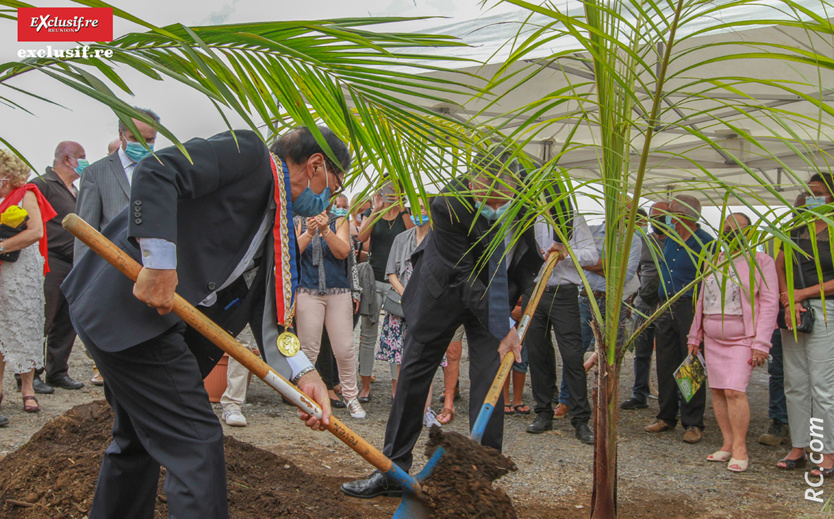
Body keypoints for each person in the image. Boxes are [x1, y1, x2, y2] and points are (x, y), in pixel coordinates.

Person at [62, 127, 339, 518]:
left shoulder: (278, 227)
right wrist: (159, 263)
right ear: (315, 166)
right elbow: (157, 171)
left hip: (157, 328)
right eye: (333, 183)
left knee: (137, 442)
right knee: (196, 442)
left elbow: (277, 317)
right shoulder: (247, 155)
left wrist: (303, 372)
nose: (325, 199)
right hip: (128, 313)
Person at [341, 147, 543, 499]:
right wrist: (504, 326)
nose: (495, 210)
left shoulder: (528, 197)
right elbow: (463, 275)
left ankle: (481, 477)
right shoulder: (447, 204)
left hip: (496, 292)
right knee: (414, 374)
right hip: (443, 292)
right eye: (487, 201)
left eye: (502, 202)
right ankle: (393, 469)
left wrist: (527, 293)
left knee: (490, 378)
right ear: (472, 183)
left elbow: (529, 249)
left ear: (517, 186)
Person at [687, 213, 779, 472]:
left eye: (737, 228)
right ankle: (727, 444)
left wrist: (762, 343)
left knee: (734, 391)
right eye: (726, 228)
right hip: (713, 337)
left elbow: (770, 302)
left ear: (750, 232)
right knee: (717, 390)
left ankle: (740, 447)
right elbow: (702, 298)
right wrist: (695, 336)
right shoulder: (714, 260)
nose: (731, 232)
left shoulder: (762, 261)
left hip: (743, 338)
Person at [776, 173, 834, 476]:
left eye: (818, 194)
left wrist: (804, 294)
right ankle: (799, 446)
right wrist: (790, 299)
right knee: (795, 383)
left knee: (822, 385)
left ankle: (826, 452)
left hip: (826, 310)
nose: (811, 199)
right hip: (794, 310)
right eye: (808, 193)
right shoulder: (797, 227)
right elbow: (780, 263)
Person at [523, 211, 598, 443]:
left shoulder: (573, 218)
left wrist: (566, 254)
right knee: (537, 353)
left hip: (564, 293)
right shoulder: (527, 218)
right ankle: (543, 412)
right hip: (533, 291)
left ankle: (580, 419)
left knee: (572, 355)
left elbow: (592, 256)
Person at [645, 195, 714, 444]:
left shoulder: (706, 243)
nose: (667, 217)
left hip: (690, 309)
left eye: (671, 212)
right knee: (665, 361)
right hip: (666, 306)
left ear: (684, 215)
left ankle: (693, 422)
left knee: (690, 364)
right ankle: (666, 416)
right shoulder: (671, 239)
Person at [559, 216, 641, 417]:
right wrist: (609, 265)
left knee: (612, 353)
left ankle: (605, 404)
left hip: (614, 301)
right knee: (573, 351)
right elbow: (575, 260)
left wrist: (593, 263)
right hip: (586, 297)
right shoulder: (591, 232)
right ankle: (566, 401)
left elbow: (625, 274)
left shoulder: (634, 239)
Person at [0, 149, 57, 424]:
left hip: (20, 270)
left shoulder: (27, 194)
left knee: (24, 324)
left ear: (9, 175)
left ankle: (27, 388)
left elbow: (35, 232)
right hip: (0, 269)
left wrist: (1, 246)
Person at [295, 201, 365, 419]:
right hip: (307, 290)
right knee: (308, 349)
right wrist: (309, 232)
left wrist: (325, 230)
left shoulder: (339, 220)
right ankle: (305, 398)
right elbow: (291, 253)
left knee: (344, 349)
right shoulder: (297, 219)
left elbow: (344, 252)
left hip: (338, 291)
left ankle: (351, 397)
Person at [376, 198, 442, 427]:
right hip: (403, 306)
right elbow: (391, 273)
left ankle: (426, 410)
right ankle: (402, 407)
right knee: (400, 360)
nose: (419, 212)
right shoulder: (401, 238)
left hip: (430, 308)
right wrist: (409, 295)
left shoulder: (439, 238)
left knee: (427, 359)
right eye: (416, 208)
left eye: (423, 208)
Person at [28, 142, 87, 391]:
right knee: (43, 318)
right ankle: (32, 374)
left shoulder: (76, 189)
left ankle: (57, 371)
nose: (85, 162)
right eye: (81, 157)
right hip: (50, 259)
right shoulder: (42, 183)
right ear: (67, 159)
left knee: (67, 319)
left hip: (74, 262)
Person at [74, 107, 160, 263]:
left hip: (156, 267)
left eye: (149, 140)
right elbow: (85, 233)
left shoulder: (163, 170)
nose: (142, 145)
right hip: (113, 266)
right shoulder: (96, 173)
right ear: (121, 134)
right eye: (135, 138)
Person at [355, 181, 414, 402]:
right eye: (386, 190)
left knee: (396, 338)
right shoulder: (373, 211)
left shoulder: (405, 215)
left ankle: (395, 388)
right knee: (368, 333)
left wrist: (403, 208)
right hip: (373, 279)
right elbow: (361, 238)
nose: (390, 194)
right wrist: (378, 210)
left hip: (397, 282)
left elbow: (415, 238)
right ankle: (365, 386)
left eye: (394, 190)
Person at [621, 202, 669, 410]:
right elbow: (634, 272)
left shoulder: (677, 244)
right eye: (654, 216)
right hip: (644, 305)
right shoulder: (641, 242)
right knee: (642, 351)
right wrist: (630, 302)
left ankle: (669, 398)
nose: (657, 220)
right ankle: (639, 393)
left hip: (669, 306)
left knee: (667, 354)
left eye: (662, 216)